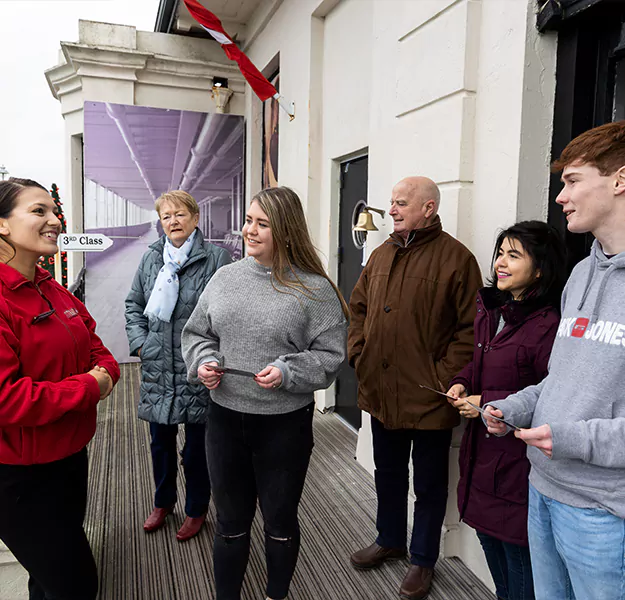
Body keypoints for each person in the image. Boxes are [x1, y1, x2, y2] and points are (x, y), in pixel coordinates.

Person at [182, 186, 348, 600]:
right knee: (230, 523)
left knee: (279, 521)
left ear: (286, 230)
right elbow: (198, 332)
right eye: (248, 221)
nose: (248, 231)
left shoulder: (314, 290)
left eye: (261, 223)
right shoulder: (225, 278)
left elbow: (331, 356)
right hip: (223, 419)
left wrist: (288, 370)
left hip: (283, 428)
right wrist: (203, 361)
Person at [484, 121, 625, 600]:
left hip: (604, 510)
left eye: (572, 180)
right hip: (542, 485)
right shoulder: (582, 272)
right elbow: (560, 379)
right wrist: (516, 405)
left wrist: (568, 437)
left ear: (619, 180)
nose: (560, 197)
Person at [348, 176, 482, 600]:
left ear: (428, 207)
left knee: (428, 485)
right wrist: (359, 354)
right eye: (391, 202)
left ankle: (422, 560)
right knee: (386, 473)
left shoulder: (457, 259)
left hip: (430, 396)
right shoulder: (381, 253)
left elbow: (470, 330)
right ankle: (389, 538)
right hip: (382, 390)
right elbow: (358, 308)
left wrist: (444, 379)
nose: (392, 209)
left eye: (401, 202)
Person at [0, 177, 119, 600]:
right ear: (2, 225)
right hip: (20, 478)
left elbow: (99, 349)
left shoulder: (50, 288)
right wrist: (90, 385)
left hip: (70, 458)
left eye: (54, 211)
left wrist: (102, 373)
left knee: (47, 578)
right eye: (39, 211)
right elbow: (8, 399)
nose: (55, 220)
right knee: (76, 585)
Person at [447, 221, 566, 600]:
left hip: (518, 465)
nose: (501, 262)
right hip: (481, 455)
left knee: (519, 563)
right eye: (500, 252)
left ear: (540, 268)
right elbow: (479, 361)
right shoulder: (492, 309)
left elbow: (553, 395)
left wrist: (489, 400)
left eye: (514, 255)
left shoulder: (548, 325)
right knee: (490, 546)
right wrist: (464, 381)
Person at [125, 190, 231, 542]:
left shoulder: (217, 259)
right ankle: (163, 502)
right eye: (166, 215)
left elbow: (230, 314)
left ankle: (197, 508)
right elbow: (134, 304)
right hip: (158, 365)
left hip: (198, 366)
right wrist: (142, 344)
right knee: (160, 443)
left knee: (198, 448)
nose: (173, 221)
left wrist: (214, 354)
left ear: (195, 218)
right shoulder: (152, 258)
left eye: (180, 214)